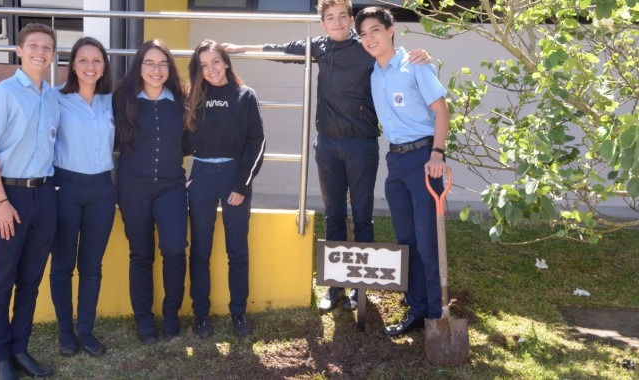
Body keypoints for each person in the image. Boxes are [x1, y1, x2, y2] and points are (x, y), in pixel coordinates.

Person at [222, 0, 431, 312]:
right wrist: (238, 48)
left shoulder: (367, 48)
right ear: (322, 24)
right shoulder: (318, 47)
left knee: (362, 216)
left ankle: (359, 290)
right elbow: (281, 50)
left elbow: (394, 56)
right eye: (329, 18)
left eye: (342, 17)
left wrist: (423, 54)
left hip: (362, 145)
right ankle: (335, 288)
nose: (336, 23)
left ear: (350, 20)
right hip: (328, 146)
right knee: (334, 215)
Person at [355, 7, 450, 336]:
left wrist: (437, 153)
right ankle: (417, 308)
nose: (370, 39)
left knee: (428, 240)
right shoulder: (374, 74)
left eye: (375, 31)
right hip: (395, 162)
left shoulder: (415, 65)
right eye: (363, 34)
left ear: (391, 29)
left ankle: (438, 317)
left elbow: (441, 111)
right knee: (406, 239)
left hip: (424, 159)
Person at [0, 23, 59, 379]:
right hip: (9, 197)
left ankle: (20, 349)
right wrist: (1, 202)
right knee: (3, 279)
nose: (41, 51)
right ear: (20, 51)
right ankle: (1, 357)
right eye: (34, 45)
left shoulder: (53, 96)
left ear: (53, 55)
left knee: (30, 280)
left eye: (47, 47)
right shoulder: (4, 93)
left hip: (44, 195)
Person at [185, 39, 265, 338]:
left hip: (234, 176)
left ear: (226, 62)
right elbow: (177, 140)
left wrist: (242, 184)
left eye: (215, 62)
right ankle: (201, 315)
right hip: (202, 175)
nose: (211, 69)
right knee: (201, 250)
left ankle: (239, 313)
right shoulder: (192, 97)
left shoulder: (245, 96)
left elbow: (257, 143)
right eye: (204, 65)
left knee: (237, 250)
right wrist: (181, 175)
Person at [113, 39, 189, 345]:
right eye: (149, 63)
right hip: (133, 185)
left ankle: (171, 314)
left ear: (169, 67)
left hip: (172, 185)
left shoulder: (182, 100)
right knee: (141, 254)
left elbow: (199, 140)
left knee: (174, 249)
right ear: (139, 67)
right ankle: (144, 320)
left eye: (162, 63)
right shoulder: (123, 98)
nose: (156, 70)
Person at [49, 37, 115, 358]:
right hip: (66, 187)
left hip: (103, 189)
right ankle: (65, 333)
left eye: (97, 61)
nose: (91, 67)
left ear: (104, 67)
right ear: (72, 65)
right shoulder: (55, 99)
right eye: (84, 60)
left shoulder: (111, 102)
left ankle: (85, 331)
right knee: (63, 264)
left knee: (91, 266)